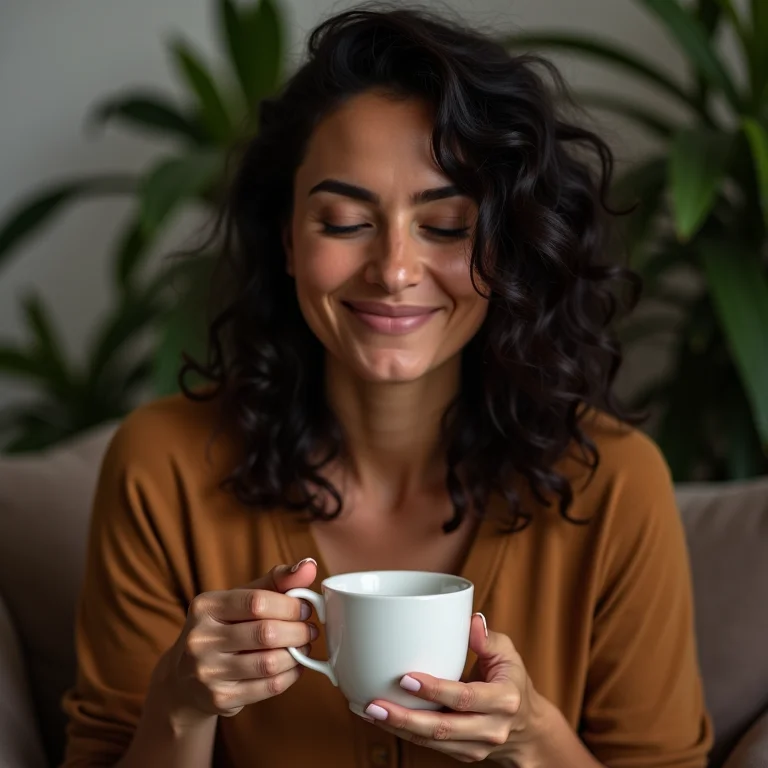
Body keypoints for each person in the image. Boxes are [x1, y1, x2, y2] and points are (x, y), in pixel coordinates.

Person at [61, 6, 713, 768]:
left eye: (446, 226)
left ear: (510, 248)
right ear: (287, 239)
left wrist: (534, 740)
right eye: (344, 221)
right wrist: (180, 702)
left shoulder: (617, 485)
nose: (395, 270)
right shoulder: (160, 465)